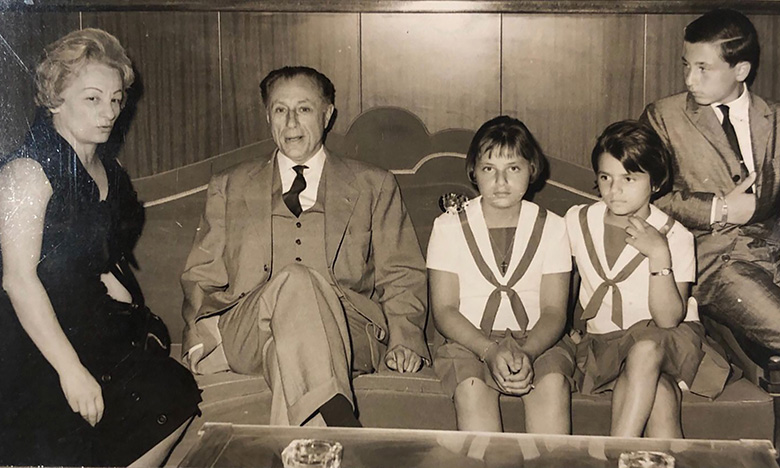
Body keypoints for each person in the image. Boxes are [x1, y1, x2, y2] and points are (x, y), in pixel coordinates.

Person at [181, 66, 429, 428]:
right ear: (268, 117)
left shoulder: (373, 184)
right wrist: (197, 336)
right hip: (250, 326)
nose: (291, 122)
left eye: (304, 109)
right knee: (296, 280)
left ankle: (315, 444)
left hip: (348, 330)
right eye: (280, 110)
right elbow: (200, 276)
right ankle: (341, 425)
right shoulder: (229, 185)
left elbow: (402, 272)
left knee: (284, 354)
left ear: (328, 114)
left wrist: (405, 340)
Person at [0, 29, 201, 466]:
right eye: (92, 98)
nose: (109, 111)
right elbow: (18, 280)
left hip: (92, 324)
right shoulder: (27, 172)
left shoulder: (106, 166)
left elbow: (101, 257)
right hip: (32, 337)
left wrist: (126, 304)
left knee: (175, 390)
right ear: (56, 98)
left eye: (115, 98)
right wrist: (71, 371)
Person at [565, 120, 724, 438]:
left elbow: (667, 320)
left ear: (654, 183)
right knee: (661, 395)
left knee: (646, 349)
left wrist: (659, 256)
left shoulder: (674, 235)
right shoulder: (578, 220)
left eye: (629, 178)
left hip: (667, 340)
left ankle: (613, 453)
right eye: (606, 177)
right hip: (607, 344)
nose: (614, 190)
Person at [640, 9, 780, 355]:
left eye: (704, 68)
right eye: (687, 65)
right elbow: (645, 196)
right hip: (718, 263)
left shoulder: (775, 118)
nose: (690, 79)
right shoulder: (663, 116)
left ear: (741, 70)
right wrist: (721, 208)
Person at [428, 116, 574, 434]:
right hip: (468, 342)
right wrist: (489, 351)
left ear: (531, 170)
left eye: (514, 169)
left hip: (538, 340)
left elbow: (553, 311)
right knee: (471, 390)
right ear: (474, 172)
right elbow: (444, 310)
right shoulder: (448, 227)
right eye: (489, 169)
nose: (501, 182)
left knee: (552, 387)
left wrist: (528, 352)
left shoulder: (553, 227)